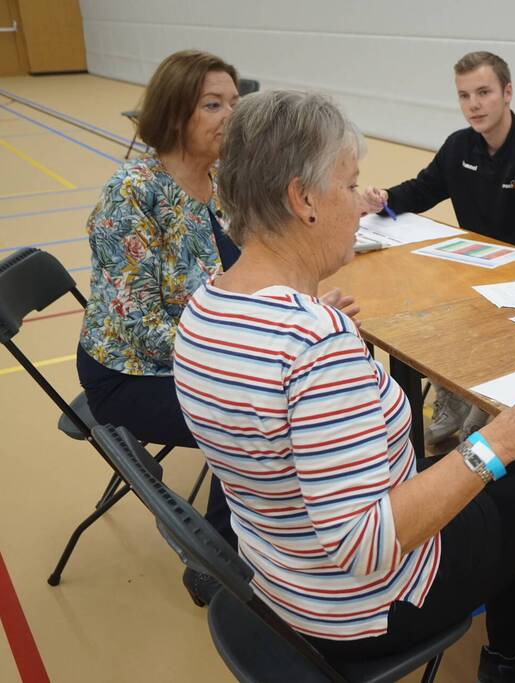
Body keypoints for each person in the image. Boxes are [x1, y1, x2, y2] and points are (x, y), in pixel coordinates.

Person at [173, 89, 515, 683]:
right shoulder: (312, 345)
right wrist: (501, 439)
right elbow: (367, 547)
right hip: (362, 608)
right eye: (350, 184)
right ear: (303, 199)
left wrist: (317, 334)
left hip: (281, 577)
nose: (361, 203)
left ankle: (510, 655)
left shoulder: (207, 308)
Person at [76, 49, 358, 606]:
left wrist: (298, 309)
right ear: (175, 115)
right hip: (128, 372)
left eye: (235, 101)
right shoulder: (132, 192)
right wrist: (247, 350)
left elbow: (254, 275)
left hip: (206, 350)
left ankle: (262, 540)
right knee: (256, 412)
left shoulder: (223, 183)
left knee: (263, 396)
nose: (232, 114)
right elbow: (135, 325)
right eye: (213, 104)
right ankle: (218, 556)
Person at [363, 51, 515, 448]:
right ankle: (454, 394)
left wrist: (499, 287)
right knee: (413, 302)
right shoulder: (460, 147)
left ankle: (483, 402)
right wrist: (384, 198)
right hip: (470, 278)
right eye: (464, 96)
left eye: (483, 92)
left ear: (507, 93)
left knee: (443, 306)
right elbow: (423, 189)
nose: (473, 105)